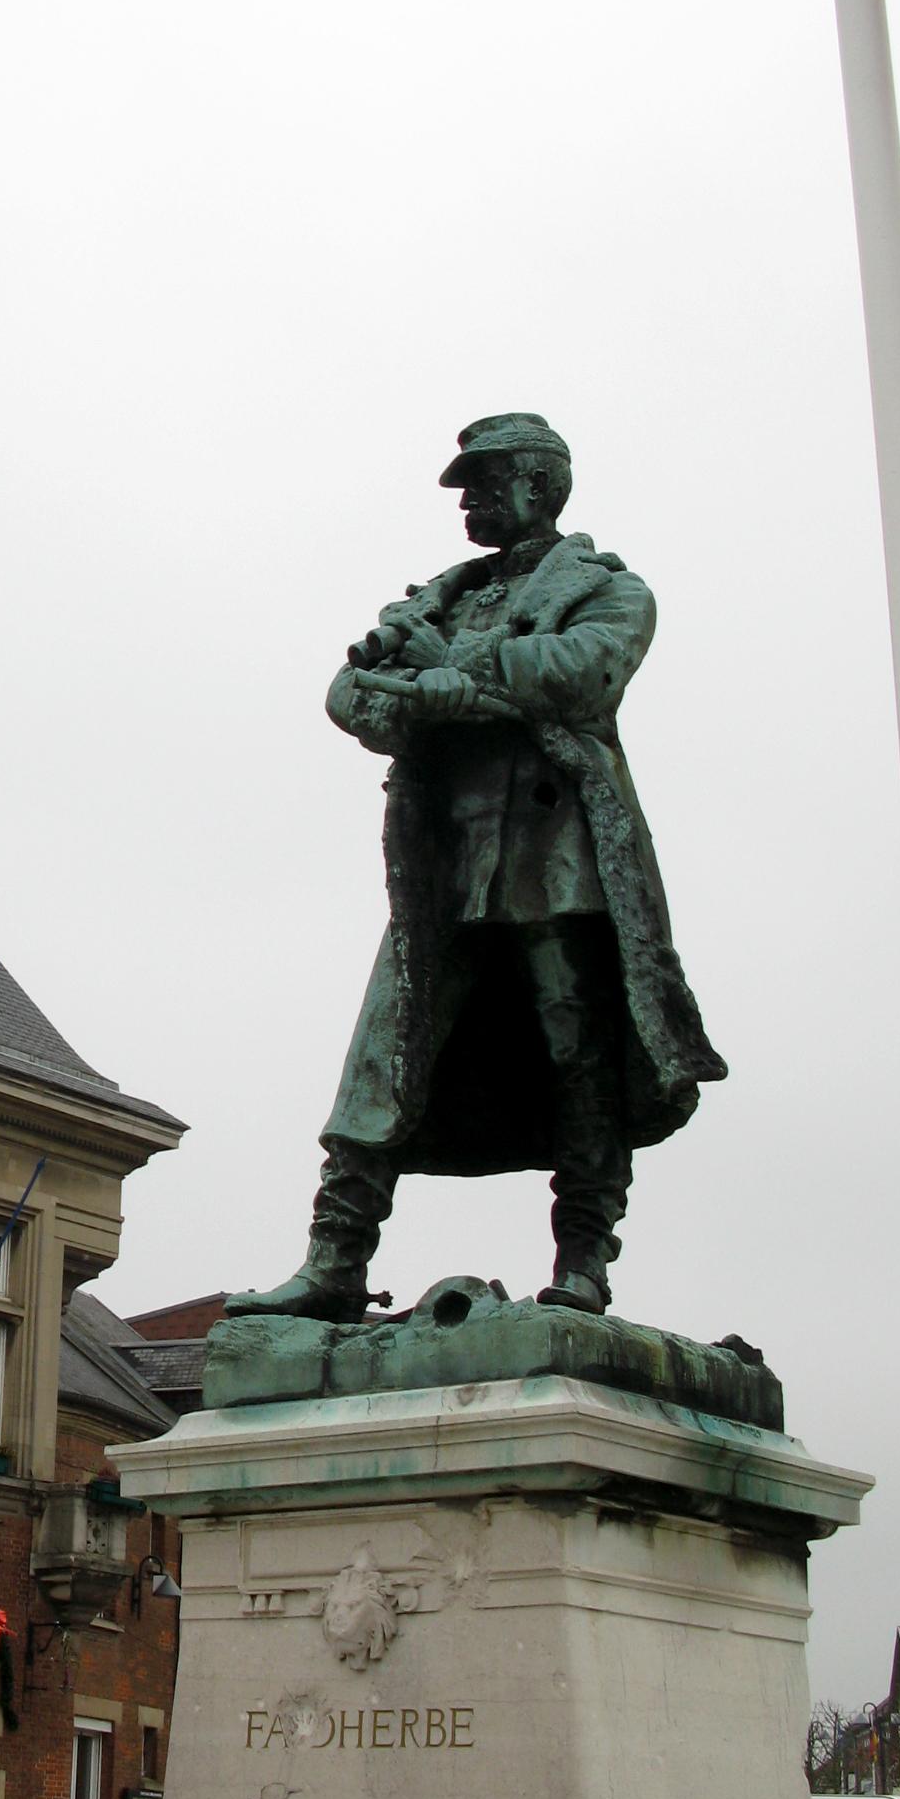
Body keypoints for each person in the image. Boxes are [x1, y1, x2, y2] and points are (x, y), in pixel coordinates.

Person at [231, 413, 724, 1322]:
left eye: (486, 481)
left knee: (578, 1056)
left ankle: (583, 1262)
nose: (467, 500)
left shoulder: (612, 591)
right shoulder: (433, 599)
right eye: (464, 486)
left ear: (541, 484)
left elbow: (579, 673)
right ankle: (335, 1259)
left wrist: (447, 678)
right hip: (447, 865)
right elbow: (350, 694)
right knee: (383, 1049)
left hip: (559, 861)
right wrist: (444, 687)